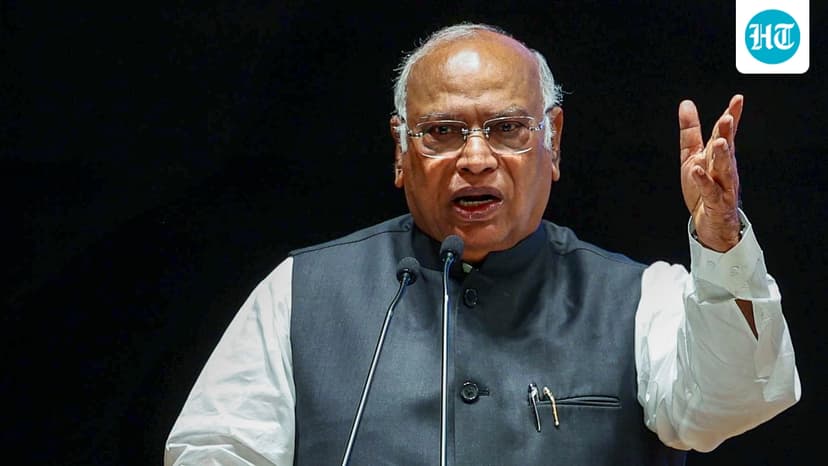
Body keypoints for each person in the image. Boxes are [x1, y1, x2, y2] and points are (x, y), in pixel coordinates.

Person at [164, 22, 800, 465]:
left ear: (552, 141)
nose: (475, 159)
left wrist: (721, 241)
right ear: (400, 151)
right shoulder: (301, 293)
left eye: (506, 128)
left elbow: (734, 400)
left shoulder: (643, 299)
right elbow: (216, 451)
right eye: (442, 132)